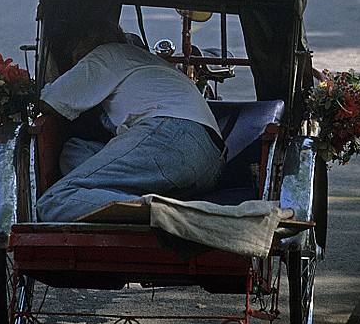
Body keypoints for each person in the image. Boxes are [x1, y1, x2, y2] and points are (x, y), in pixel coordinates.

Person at [36, 20, 226, 222]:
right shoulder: (143, 59)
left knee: (55, 201)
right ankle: (123, 200)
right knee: (74, 150)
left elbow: (50, 102)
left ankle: (168, 217)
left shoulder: (106, 54)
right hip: (209, 163)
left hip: (170, 136)